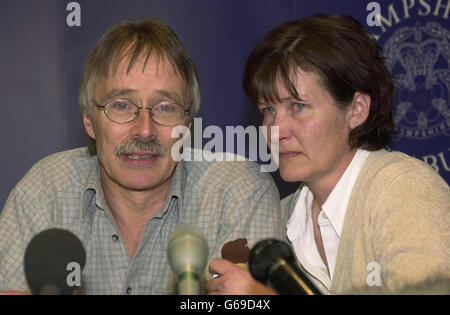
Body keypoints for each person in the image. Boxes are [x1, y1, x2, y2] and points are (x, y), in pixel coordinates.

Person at [0, 18, 283, 294]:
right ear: (89, 121)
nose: (144, 131)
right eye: (121, 105)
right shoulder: (43, 193)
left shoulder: (238, 193)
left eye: (165, 107)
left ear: (187, 126)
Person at [207, 14, 450, 294]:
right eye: (268, 110)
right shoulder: (281, 215)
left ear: (356, 110)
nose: (276, 130)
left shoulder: (405, 190)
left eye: (298, 106)